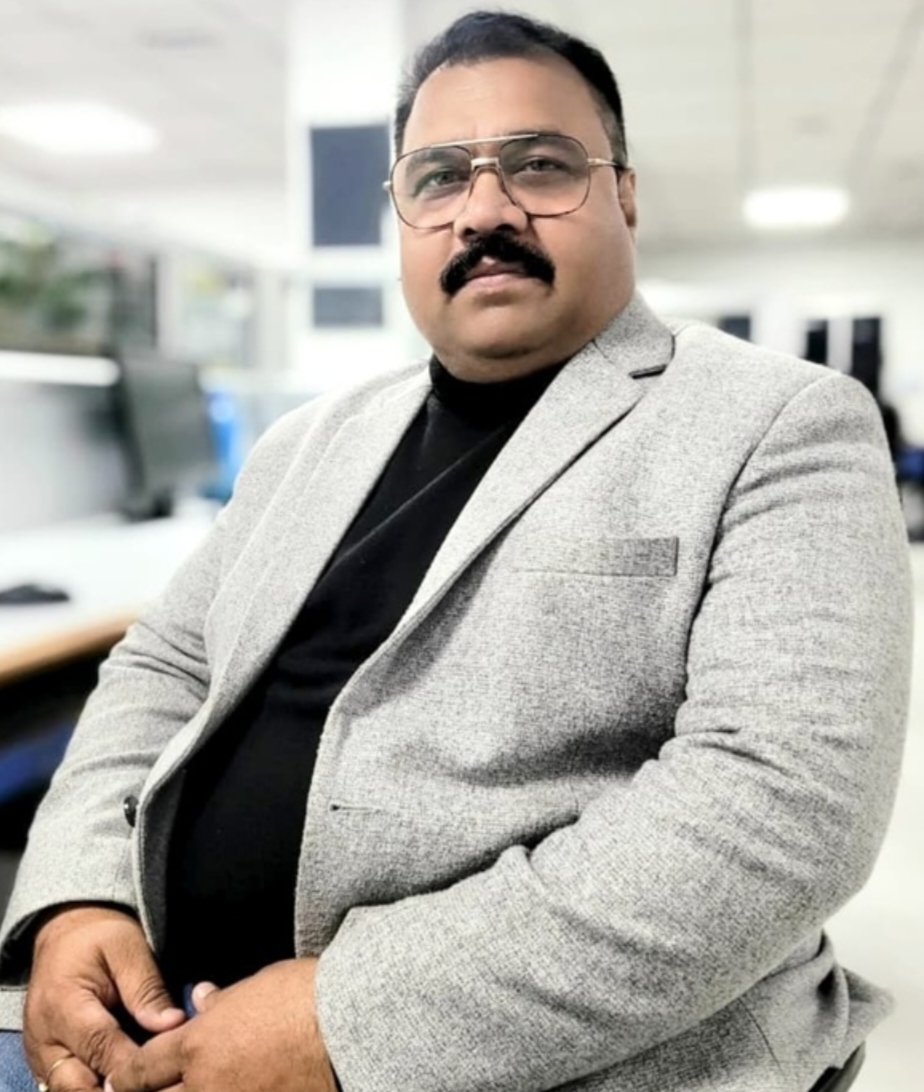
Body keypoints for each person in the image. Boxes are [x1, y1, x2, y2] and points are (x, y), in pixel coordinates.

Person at [0, 11, 912, 1092]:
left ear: (623, 195)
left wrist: (344, 1024)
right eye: (438, 178)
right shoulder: (308, 443)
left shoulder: (780, 422)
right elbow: (164, 668)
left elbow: (781, 812)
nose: (485, 210)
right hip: (167, 1024)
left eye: (540, 165)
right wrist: (76, 899)